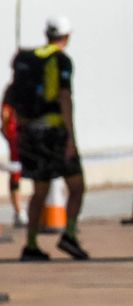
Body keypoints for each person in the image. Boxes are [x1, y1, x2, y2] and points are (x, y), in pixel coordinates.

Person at [6, 16, 88, 261]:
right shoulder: (61, 60)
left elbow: (11, 91)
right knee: (76, 185)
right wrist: (70, 137)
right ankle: (69, 234)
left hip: (31, 132)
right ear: (67, 36)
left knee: (39, 189)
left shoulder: (27, 59)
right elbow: (64, 97)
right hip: (54, 132)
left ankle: (31, 244)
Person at [2, 101, 24, 227]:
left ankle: (19, 212)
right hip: (16, 137)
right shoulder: (12, 97)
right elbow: (4, 115)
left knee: (16, 173)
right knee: (16, 173)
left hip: (19, 136)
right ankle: (19, 211)